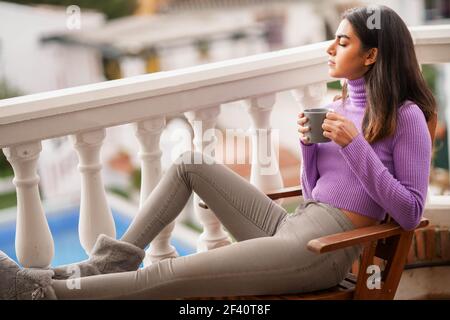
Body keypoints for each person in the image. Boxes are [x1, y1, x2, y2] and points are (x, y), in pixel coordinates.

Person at [0, 5, 437, 300]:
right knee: (190, 163)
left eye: (342, 42)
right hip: (295, 223)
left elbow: (410, 213)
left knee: (168, 274)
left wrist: (355, 146)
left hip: (320, 251)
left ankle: (40, 292)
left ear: (372, 55)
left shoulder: (408, 117)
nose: (330, 48)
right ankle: (109, 261)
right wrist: (308, 149)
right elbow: (314, 191)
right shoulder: (340, 105)